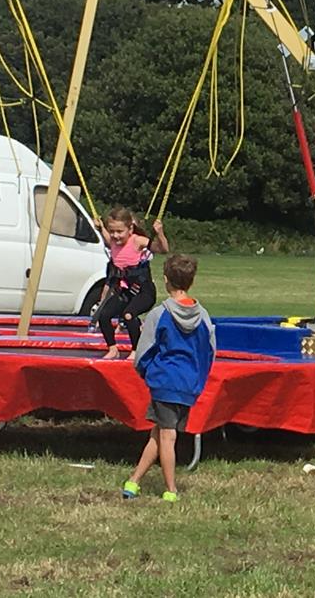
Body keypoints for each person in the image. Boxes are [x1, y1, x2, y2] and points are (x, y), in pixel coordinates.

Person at [122, 254, 215, 502]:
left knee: (165, 435)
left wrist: (148, 372)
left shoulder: (158, 314)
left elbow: (143, 351)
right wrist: (199, 378)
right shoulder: (204, 317)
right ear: (192, 282)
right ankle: (133, 481)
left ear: (165, 280)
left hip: (164, 381)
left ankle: (170, 489)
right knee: (163, 431)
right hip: (188, 384)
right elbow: (210, 351)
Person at [95, 207, 169, 361]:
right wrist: (100, 227)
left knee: (128, 315)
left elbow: (163, 249)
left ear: (130, 229)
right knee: (103, 315)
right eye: (112, 231)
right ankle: (113, 349)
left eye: (119, 232)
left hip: (144, 292)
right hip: (125, 292)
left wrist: (159, 233)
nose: (115, 236)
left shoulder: (137, 241)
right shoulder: (112, 241)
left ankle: (136, 349)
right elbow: (106, 237)